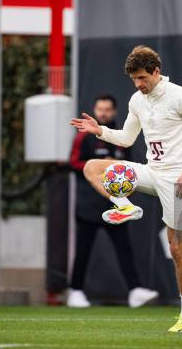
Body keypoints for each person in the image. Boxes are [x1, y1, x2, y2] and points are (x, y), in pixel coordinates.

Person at [70, 46, 182, 332]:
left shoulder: (181, 97)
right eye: (134, 79)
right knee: (92, 167)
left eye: (142, 77)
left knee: (178, 250)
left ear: (156, 71)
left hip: (179, 178)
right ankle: (126, 205)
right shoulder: (136, 100)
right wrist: (99, 130)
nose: (139, 84)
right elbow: (127, 139)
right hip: (151, 172)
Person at [68, 94, 159, 308]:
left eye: (107, 110)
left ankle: (135, 291)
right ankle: (76, 291)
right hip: (88, 205)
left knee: (124, 249)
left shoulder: (121, 137)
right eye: (99, 109)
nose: (103, 113)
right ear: (95, 109)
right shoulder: (85, 136)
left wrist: (117, 169)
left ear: (114, 112)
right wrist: (99, 165)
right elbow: (72, 163)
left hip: (116, 205)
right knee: (82, 250)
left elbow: (128, 168)